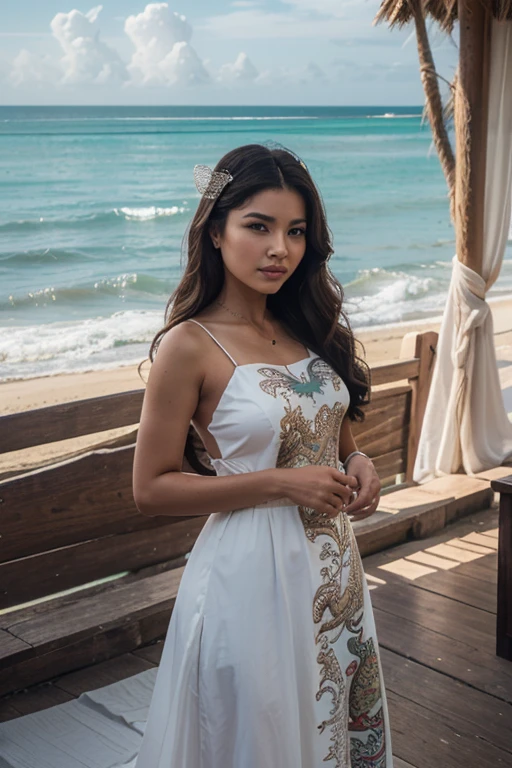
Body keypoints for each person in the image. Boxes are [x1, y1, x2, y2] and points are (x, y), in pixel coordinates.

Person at [132, 143, 393, 767]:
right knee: (265, 732)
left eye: (296, 231)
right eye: (259, 226)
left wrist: (361, 464)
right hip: (249, 577)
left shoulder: (308, 324)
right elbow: (151, 488)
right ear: (216, 230)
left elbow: (335, 439)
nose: (281, 248)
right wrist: (281, 484)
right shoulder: (188, 347)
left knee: (334, 718)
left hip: (334, 572)